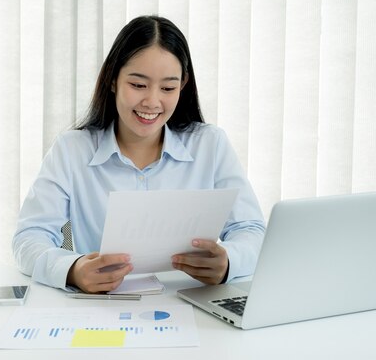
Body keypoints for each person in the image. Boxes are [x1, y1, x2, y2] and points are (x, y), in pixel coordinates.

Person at [13, 15, 265, 293]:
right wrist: (72, 270)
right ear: (112, 79)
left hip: (192, 306)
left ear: (182, 85)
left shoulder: (210, 144)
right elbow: (29, 238)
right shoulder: (72, 150)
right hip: (102, 309)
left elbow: (251, 229)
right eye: (138, 85)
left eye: (168, 88)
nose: (152, 101)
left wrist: (229, 261)